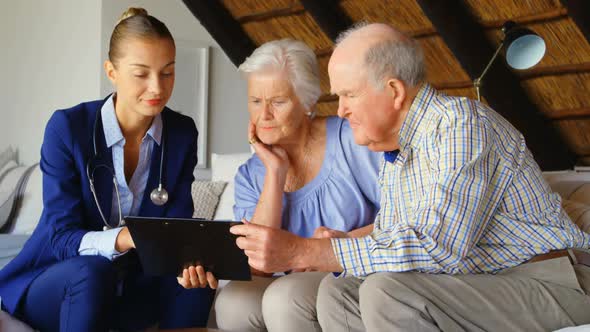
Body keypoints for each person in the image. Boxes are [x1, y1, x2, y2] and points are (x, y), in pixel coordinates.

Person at [230, 22, 590, 331]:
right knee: (339, 291)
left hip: (551, 281)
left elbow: (439, 246)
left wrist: (311, 250)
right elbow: (398, 233)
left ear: (394, 91)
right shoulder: (396, 152)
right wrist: (341, 243)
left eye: (349, 95)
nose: (341, 110)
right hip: (482, 281)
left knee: (385, 290)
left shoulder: (461, 125)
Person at [0, 8, 216, 331]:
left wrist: (190, 260)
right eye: (141, 74)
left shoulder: (182, 133)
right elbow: (60, 238)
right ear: (111, 72)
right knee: (92, 272)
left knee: (196, 281)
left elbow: (176, 225)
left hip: (131, 285)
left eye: (167, 72)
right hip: (59, 279)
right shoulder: (68, 128)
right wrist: (126, 238)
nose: (157, 88)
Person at [209, 39, 382, 332]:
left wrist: (329, 247)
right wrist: (275, 173)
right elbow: (259, 265)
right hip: (286, 281)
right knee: (233, 300)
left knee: (284, 296)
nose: (264, 115)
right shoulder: (251, 174)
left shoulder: (352, 141)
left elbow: (401, 217)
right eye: (255, 101)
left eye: (277, 102)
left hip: (349, 272)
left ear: (307, 102)